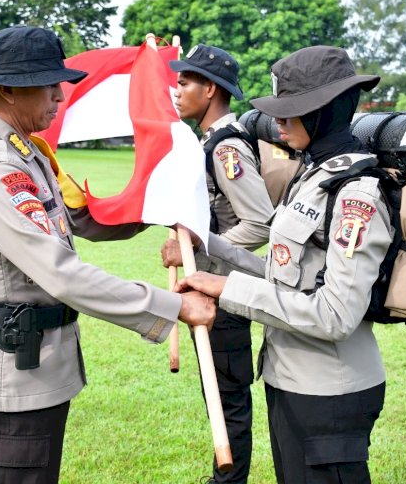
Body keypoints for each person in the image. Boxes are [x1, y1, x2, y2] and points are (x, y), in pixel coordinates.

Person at [0, 26, 216, 484]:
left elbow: (77, 221)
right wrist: (175, 306)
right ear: (9, 89)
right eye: (48, 84)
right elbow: (61, 273)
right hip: (10, 377)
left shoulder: (27, 154)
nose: (59, 94)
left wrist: (159, 208)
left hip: (35, 369)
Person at [164, 46, 390, 483]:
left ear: (323, 112)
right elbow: (282, 271)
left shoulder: (355, 193)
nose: (279, 123)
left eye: (292, 112)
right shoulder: (313, 174)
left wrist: (226, 288)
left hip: (329, 388)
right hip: (293, 378)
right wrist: (206, 242)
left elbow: (334, 314)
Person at [169, 44, 275, 484]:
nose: (177, 91)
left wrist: (201, 243)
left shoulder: (226, 148)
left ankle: (229, 480)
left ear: (209, 89)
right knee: (218, 392)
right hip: (210, 285)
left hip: (227, 290)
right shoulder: (207, 141)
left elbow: (260, 221)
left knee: (228, 396)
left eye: (185, 83)